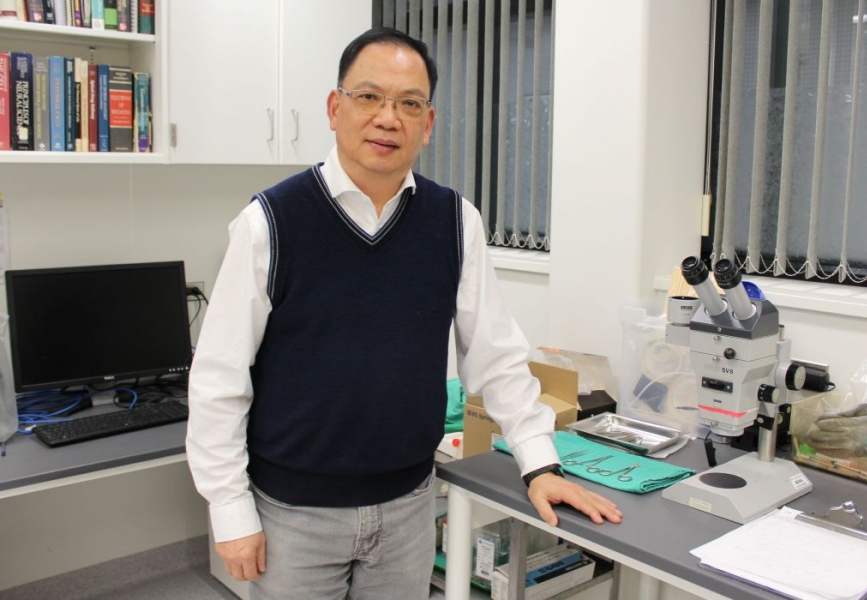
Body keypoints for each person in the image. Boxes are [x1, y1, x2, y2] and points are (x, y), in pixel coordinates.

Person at [185, 26, 622, 600]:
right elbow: (219, 378)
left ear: (429, 123)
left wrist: (540, 465)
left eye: (409, 104)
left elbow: (496, 357)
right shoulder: (269, 222)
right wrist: (229, 507)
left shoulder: (455, 222)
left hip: (410, 507)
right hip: (293, 514)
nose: (388, 118)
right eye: (369, 97)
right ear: (335, 108)